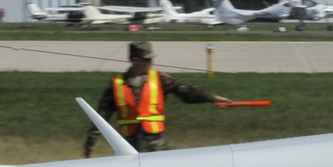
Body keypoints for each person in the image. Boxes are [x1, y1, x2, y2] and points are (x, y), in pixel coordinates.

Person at [84, 41, 228, 155]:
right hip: (129, 146)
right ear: (135, 60)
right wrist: (91, 142)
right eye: (147, 60)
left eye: (151, 59)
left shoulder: (160, 79)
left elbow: (187, 91)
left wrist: (212, 98)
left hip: (157, 146)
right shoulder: (116, 83)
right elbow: (102, 115)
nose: (151, 63)